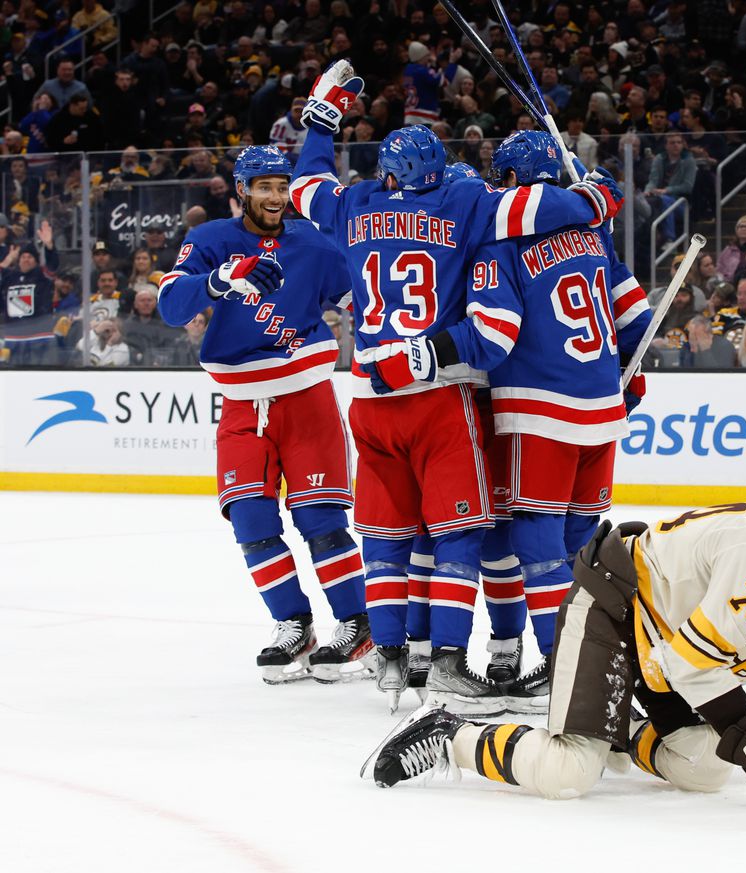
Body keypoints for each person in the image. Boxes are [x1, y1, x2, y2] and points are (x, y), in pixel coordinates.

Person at [288, 60, 625, 710]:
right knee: (462, 535)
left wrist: (322, 121)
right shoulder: (466, 202)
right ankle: (450, 658)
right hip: (442, 393)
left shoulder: (353, 203)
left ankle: (392, 660)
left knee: (387, 537)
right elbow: (533, 210)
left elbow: (306, 183)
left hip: (368, 394)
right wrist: (595, 197)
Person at [366, 486, 746, 808]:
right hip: (616, 605)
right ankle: (451, 734)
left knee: (706, 770)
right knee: (569, 772)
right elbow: (696, 664)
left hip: (668, 646)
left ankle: (618, 734)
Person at [375, 131, 651, 714]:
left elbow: (494, 336)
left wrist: (418, 358)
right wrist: (629, 370)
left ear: (507, 182)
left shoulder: (500, 243)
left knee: (533, 545)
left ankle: (560, 666)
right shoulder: (594, 234)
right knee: (579, 548)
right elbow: (637, 316)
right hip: (602, 412)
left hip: (539, 411)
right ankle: (597, 657)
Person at [156, 145, 372, 685]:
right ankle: (292, 625)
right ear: (242, 190)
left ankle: (356, 624)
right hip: (240, 403)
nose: (276, 197)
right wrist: (220, 279)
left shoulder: (317, 245)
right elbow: (170, 308)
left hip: (306, 397)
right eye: (265, 187)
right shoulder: (211, 241)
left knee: (321, 522)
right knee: (251, 521)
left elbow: (367, 305)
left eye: (283, 186)